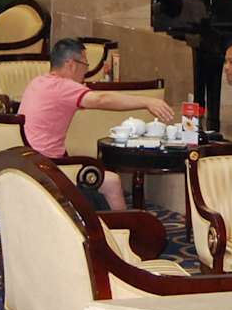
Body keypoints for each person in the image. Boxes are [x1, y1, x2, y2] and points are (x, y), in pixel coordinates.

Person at [21, 37, 175, 211]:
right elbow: (101, 99)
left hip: (26, 161)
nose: (86, 71)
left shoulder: (37, 82)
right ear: (71, 64)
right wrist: (147, 102)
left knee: (95, 181)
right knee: (112, 181)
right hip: (47, 167)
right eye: (85, 64)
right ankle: (124, 227)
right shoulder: (63, 86)